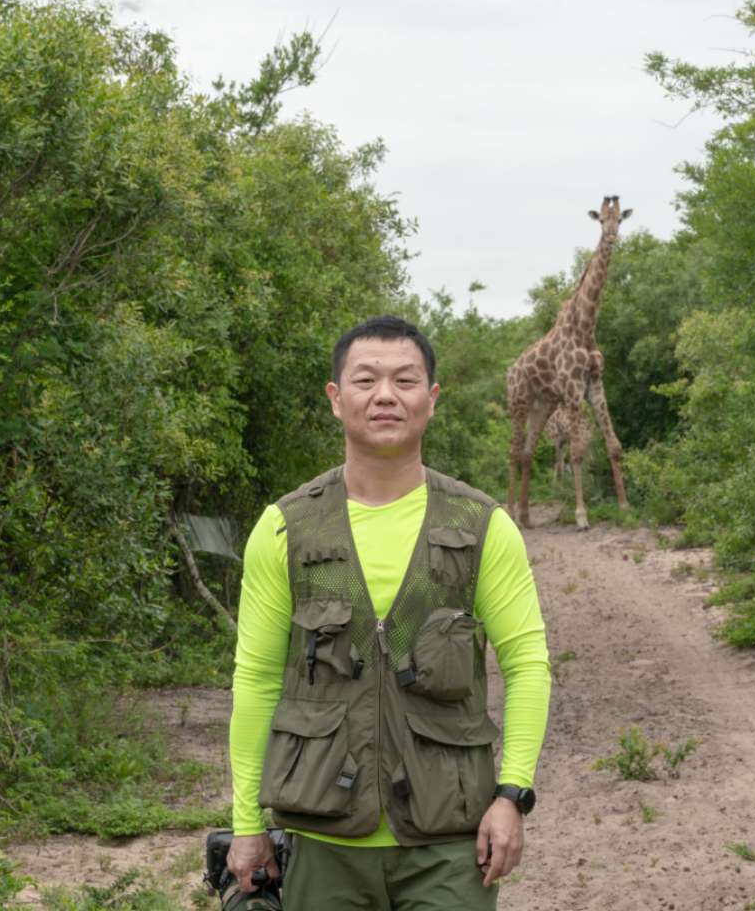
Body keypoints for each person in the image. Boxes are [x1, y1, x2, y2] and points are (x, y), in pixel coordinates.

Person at [225, 315, 552, 910]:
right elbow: (257, 678)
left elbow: (528, 665)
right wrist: (247, 821)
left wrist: (512, 796)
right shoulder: (284, 528)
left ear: (430, 400)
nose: (384, 396)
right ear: (335, 397)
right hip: (320, 835)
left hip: (450, 839)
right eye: (366, 379)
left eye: (404, 381)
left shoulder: (482, 527)